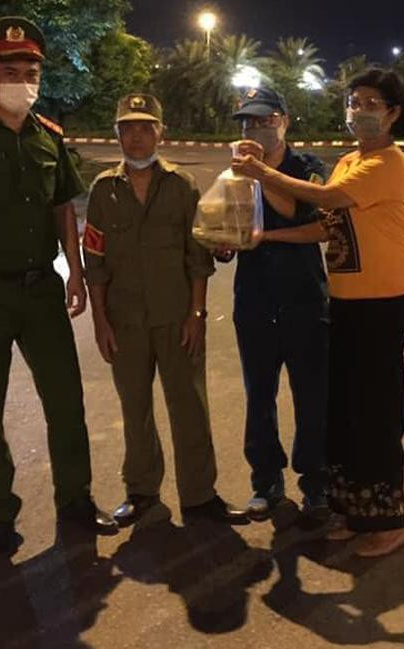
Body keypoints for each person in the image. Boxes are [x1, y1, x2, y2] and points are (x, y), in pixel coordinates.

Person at [0, 16, 118, 555]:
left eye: (30, 73)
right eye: (10, 72)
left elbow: (63, 211)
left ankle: (75, 500)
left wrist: (76, 274)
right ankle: (0, 513)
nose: (21, 81)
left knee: (66, 401)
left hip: (41, 292)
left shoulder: (49, 138)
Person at [231, 68, 404, 557]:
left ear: (393, 113)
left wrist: (263, 174)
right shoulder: (350, 161)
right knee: (348, 410)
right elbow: (325, 226)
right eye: (354, 102)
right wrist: (263, 237)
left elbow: (327, 200)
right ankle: (356, 513)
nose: (360, 111)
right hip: (346, 299)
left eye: (372, 103)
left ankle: (390, 522)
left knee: (377, 412)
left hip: (383, 298)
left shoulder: (389, 162)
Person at [83, 93, 247, 527]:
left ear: (160, 133)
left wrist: (197, 315)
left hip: (177, 316)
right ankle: (141, 491)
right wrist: (100, 321)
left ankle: (200, 494)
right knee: (134, 407)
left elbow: (198, 257)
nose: (136, 137)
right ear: (117, 134)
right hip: (124, 320)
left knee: (190, 404)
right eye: (127, 128)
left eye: (145, 127)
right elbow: (94, 261)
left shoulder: (182, 186)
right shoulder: (103, 190)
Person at [217, 87, 329, 528]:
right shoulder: (236, 175)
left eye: (264, 121)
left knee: (312, 396)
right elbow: (230, 227)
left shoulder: (308, 168)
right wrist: (224, 243)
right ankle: (266, 482)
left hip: (305, 299)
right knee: (259, 395)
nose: (255, 129)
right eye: (248, 123)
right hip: (255, 300)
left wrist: (261, 176)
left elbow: (315, 224)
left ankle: (316, 484)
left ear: (284, 121)